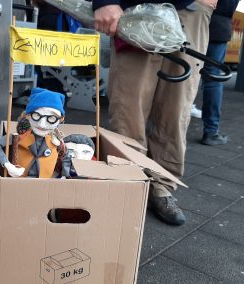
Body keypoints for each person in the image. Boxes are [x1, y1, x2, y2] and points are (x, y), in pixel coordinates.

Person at [92, 0, 216, 225]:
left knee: (176, 110)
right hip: (137, 8)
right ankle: (129, 184)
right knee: (128, 107)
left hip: (192, 10)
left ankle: (162, 186)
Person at [200, 0, 239, 146]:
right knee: (213, 79)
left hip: (191, 25)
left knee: (182, 75)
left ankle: (168, 129)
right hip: (218, 28)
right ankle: (211, 131)